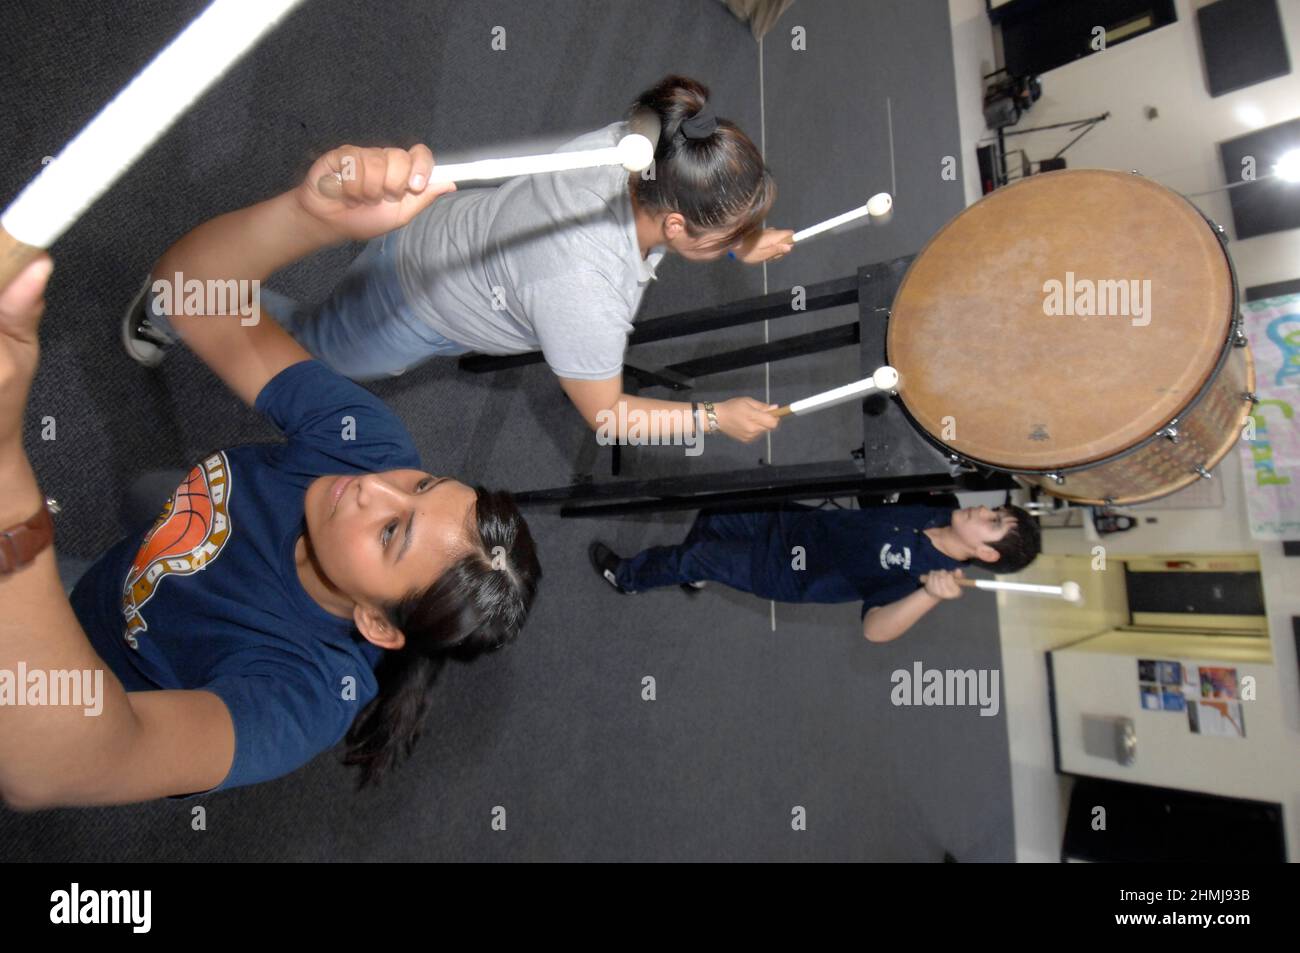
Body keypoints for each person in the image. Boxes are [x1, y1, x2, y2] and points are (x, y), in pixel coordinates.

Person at [0, 144, 539, 808]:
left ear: (375, 623)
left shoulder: (303, 696)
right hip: (140, 562)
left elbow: (60, 766)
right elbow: (189, 290)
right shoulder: (371, 448)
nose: (376, 486)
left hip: (72, 674)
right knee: (149, 503)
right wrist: (308, 217)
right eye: (423, 484)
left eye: (393, 530)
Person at [124, 75, 793, 446]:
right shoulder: (588, 296)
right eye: (726, 232)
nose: (735, 240)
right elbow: (609, 415)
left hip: (437, 236)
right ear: (677, 225)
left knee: (317, 330)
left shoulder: (640, 145)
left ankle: (189, 300)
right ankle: (175, 307)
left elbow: (682, 212)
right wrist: (715, 418)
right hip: (415, 304)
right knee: (309, 349)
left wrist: (737, 237)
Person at [589, 502, 1041, 642]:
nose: (985, 509)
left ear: (987, 553)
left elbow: (876, 630)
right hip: (789, 522)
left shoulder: (925, 577)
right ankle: (692, 575)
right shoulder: (939, 508)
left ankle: (629, 578)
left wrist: (929, 596)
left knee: (699, 555)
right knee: (714, 516)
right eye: (997, 509)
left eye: (993, 521)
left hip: (787, 570)